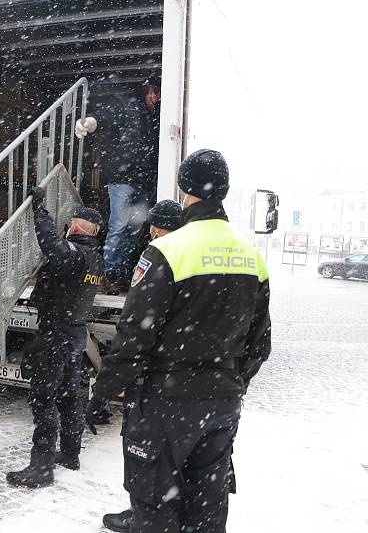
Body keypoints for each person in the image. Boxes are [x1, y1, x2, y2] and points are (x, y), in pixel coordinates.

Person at [87, 150, 271, 533]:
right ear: (223, 190)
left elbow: (133, 337)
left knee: (156, 509)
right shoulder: (251, 255)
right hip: (221, 405)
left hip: (165, 405)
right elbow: (260, 344)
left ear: (185, 188)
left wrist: (102, 394)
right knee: (207, 507)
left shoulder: (167, 251)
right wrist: (229, 381)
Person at [6, 187, 105, 488]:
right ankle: (71, 453)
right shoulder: (96, 260)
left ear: (75, 227)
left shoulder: (74, 255)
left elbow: (51, 245)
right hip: (74, 333)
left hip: (55, 334)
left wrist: (40, 210)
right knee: (69, 397)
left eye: (71, 224)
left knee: (44, 401)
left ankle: (41, 467)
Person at [96, 198, 182, 533]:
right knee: (178, 456)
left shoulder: (159, 254)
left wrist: (102, 391)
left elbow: (134, 328)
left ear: (157, 227)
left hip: (155, 375)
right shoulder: (198, 253)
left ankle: (142, 515)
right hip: (193, 380)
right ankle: (166, 512)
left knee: (143, 453)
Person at [75, 77, 161, 294]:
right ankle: (107, 273)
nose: (154, 97)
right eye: (151, 92)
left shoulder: (158, 117)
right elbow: (108, 115)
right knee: (119, 226)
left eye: (157, 93)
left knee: (134, 230)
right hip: (122, 178)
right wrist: (92, 121)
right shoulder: (127, 105)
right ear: (144, 91)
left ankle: (121, 273)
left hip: (142, 180)